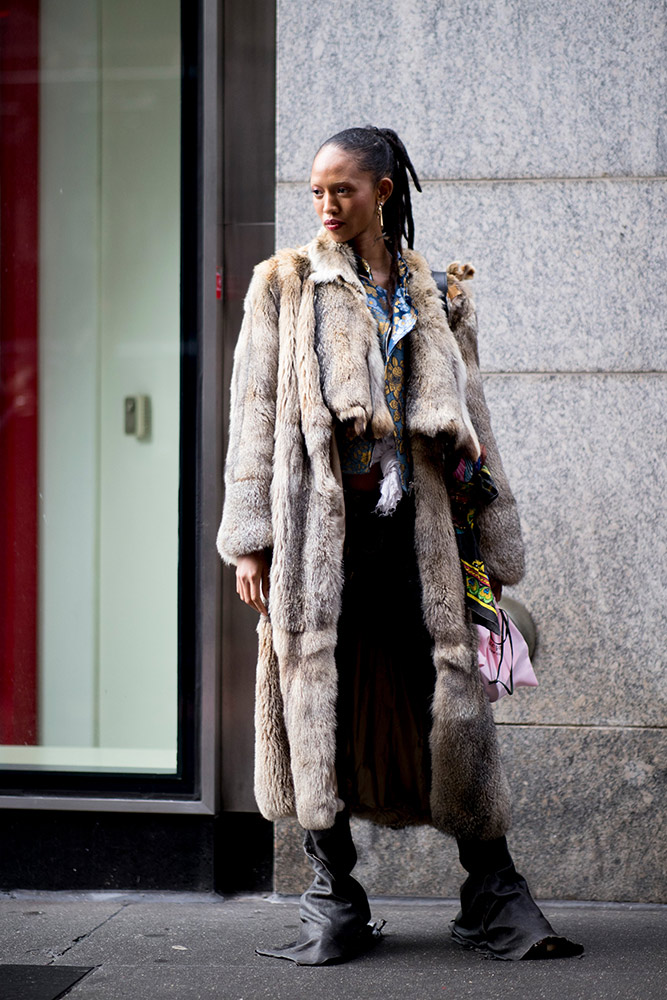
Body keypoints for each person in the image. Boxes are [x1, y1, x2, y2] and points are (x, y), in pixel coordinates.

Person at [216, 126, 583, 965]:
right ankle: (332, 894)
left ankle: (492, 892)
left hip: (420, 534)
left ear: (383, 190)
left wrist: (492, 532)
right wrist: (249, 540)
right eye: (315, 190)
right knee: (319, 701)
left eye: (341, 189)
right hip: (317, 536)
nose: (324, 205)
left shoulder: (435, 292)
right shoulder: (285, 285)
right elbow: (256, 415)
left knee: (446, 697)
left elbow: (474, 418)